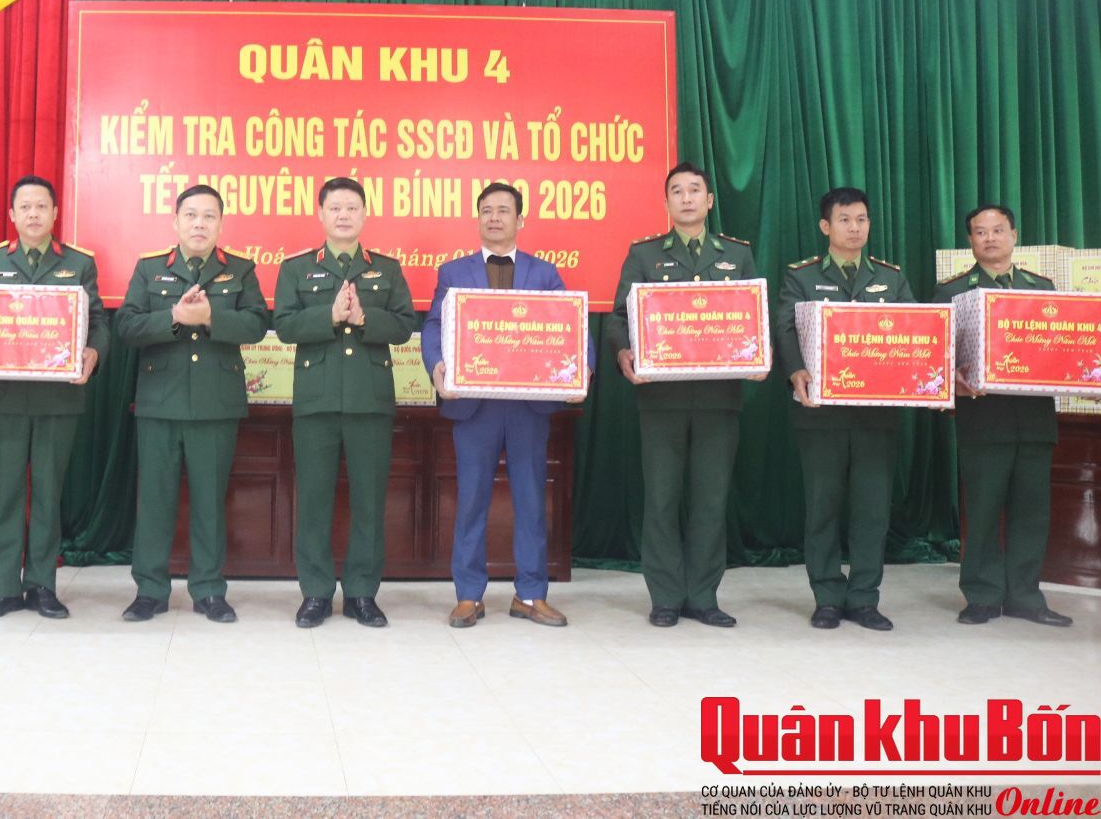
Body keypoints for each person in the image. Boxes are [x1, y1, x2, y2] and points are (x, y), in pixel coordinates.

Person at [422, 182, 587, 629]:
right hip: (474, 405)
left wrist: (583, 370)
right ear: (477, 218)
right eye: (486, 210)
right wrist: (437, 366)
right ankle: (468, 595)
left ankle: (530, 594)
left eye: (503, 210)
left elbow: (570, 324)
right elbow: (434, 325)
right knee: (471, 501)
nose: (494, 217)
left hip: (527, 407)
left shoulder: (544, 273)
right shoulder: (453, 271)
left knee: (531, 501)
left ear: (520, 219)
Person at [606, 162, 762, 629]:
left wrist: (759, 351)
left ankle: (704, 596)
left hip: (719, 399)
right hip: (661, 398)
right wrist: (623, 352)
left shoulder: (737, 255)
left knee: (711, 501)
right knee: (661, 500)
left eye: (695, 190)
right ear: (667, 202)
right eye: (677, 191)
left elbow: (752, 316)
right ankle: (666, 597)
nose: (687, 197)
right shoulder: (644, 254)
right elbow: (618, 317)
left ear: (710, 201)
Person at [115, 184, 270, 623]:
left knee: (210, 501)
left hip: (215, 403)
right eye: (191, 215)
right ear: (176, 221)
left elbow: (257, 324)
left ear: (220, 223)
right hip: (159, 402)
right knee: (155, 501)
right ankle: (150, 590)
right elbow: (126, 325)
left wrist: (211, 318)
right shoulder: (150, 268)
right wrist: (174, 318)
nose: (199, 224)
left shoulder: (239, 269)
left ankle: (209, 590)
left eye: (208, 216)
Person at [0, 175, 107, 620]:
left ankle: (42, 586)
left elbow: (98, 321)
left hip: (58, 401)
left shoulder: (78, 263)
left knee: (47, 495)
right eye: (25, 207)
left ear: (55, 213)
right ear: (12, 215)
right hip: (5, 400)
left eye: (42, 206)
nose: (34, 214)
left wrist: (93, 352)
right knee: (7, 495)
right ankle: (3, 589)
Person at [273, 177, 418, 628]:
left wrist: (364, 317)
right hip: (315, 401)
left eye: (352, 207)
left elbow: (404, 325)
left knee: (369, 501)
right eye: (335, 207)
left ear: (364, 214)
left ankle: (361, 593)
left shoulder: (386, 269)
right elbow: (284, 325)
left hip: (369, 400)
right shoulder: (296, 268)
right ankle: (315, 593)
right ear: (321, 214)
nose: (343, 215)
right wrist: (330, 316)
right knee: (313, 501)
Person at [775, 186, 914, 631]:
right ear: (825, 226)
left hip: (877, 415)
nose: (854, 228)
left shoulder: (891, 278)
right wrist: (795, 371)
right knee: (823, 508)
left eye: (861, 220)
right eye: (845, 220)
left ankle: (865, 599)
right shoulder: (800, 276)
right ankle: (828, 597)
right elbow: (785, 328)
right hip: (820, 413)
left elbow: (916, 331)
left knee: (873, 511)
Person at [933, 204, 1070, 627]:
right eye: (980, 232)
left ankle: (1026, 597)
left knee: (1031, 513)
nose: (990, 238)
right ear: (970, 240)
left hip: (1034, 420)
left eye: (997, 230)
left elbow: (1059, 347)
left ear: (1014, 235)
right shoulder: (951, 291)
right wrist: (952, 377)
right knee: (983, 512)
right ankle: (982, 596)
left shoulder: (1042, 288)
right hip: (983, 420)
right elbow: (935, 356)